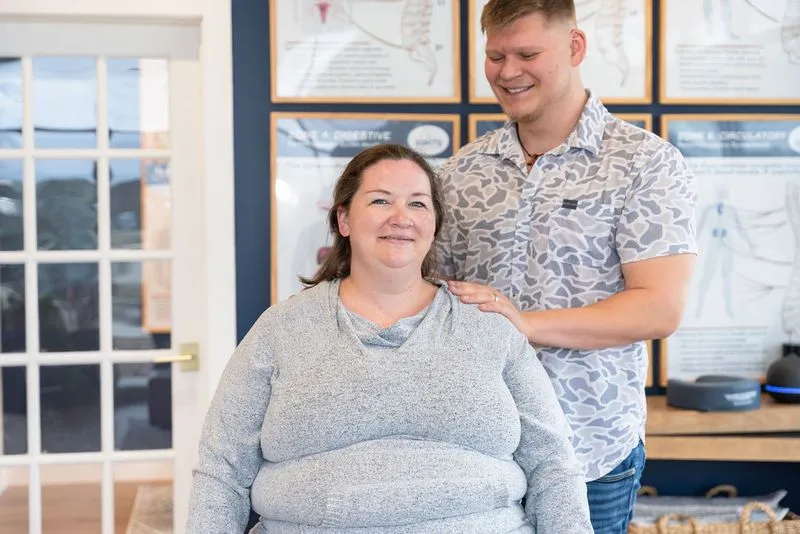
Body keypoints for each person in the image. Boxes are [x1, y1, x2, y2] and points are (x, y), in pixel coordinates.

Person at [186, 143, 593, 533]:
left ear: (434, 224)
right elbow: (222, 469)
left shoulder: (488, 327)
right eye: (380, 200)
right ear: (343, 219)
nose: (401, 216)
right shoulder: (280, 329)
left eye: (417, 203)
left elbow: (552, 465)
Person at [436, 1, 698, 533]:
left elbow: (659, 307)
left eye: (528, 53)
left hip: (590, 452)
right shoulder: (461, 171)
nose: (508, 72)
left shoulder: (646, 163)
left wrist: (528, 325)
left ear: (576, 47)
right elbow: (432, 297)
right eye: (495, 56)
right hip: (477, 450)